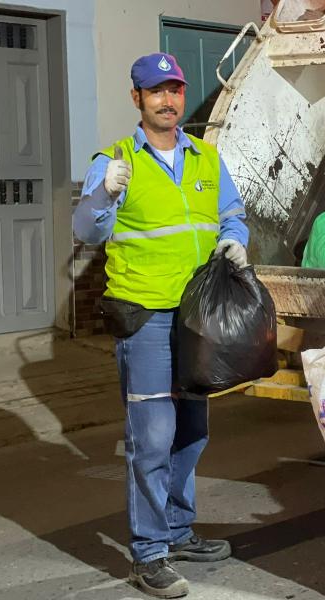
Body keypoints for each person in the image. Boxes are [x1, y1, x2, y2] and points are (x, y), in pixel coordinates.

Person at [73, 53, 249, 599]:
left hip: (197, 318)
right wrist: (106, 193)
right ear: (137, 99)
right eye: (156, 91)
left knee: (192, 431)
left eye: (174, 89)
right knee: (152, 437)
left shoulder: (205, 158)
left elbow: (232, 211)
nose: (168, 100)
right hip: (146, 316)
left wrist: (237, 236)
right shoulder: (115, 159)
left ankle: (176, 529)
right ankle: (148, 554)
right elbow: (86, 229)